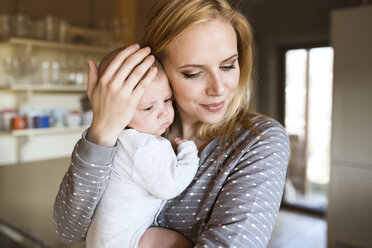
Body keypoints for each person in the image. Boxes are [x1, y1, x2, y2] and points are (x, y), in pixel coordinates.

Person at [53, 0, 290, 247]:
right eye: (193, 73)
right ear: (157, 68)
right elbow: (69, 230)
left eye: (228, 65)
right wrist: (102, 132)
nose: (219, 89)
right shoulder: (133, 132)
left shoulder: (260, 141)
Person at [85, 49, 199, 248]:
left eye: (166, 100)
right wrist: (189, 154)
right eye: (148, 108)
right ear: (119, 110)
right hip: (123, 241)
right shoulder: (142, 145)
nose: (163, 112)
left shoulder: (121, 139)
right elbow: (169, 186)